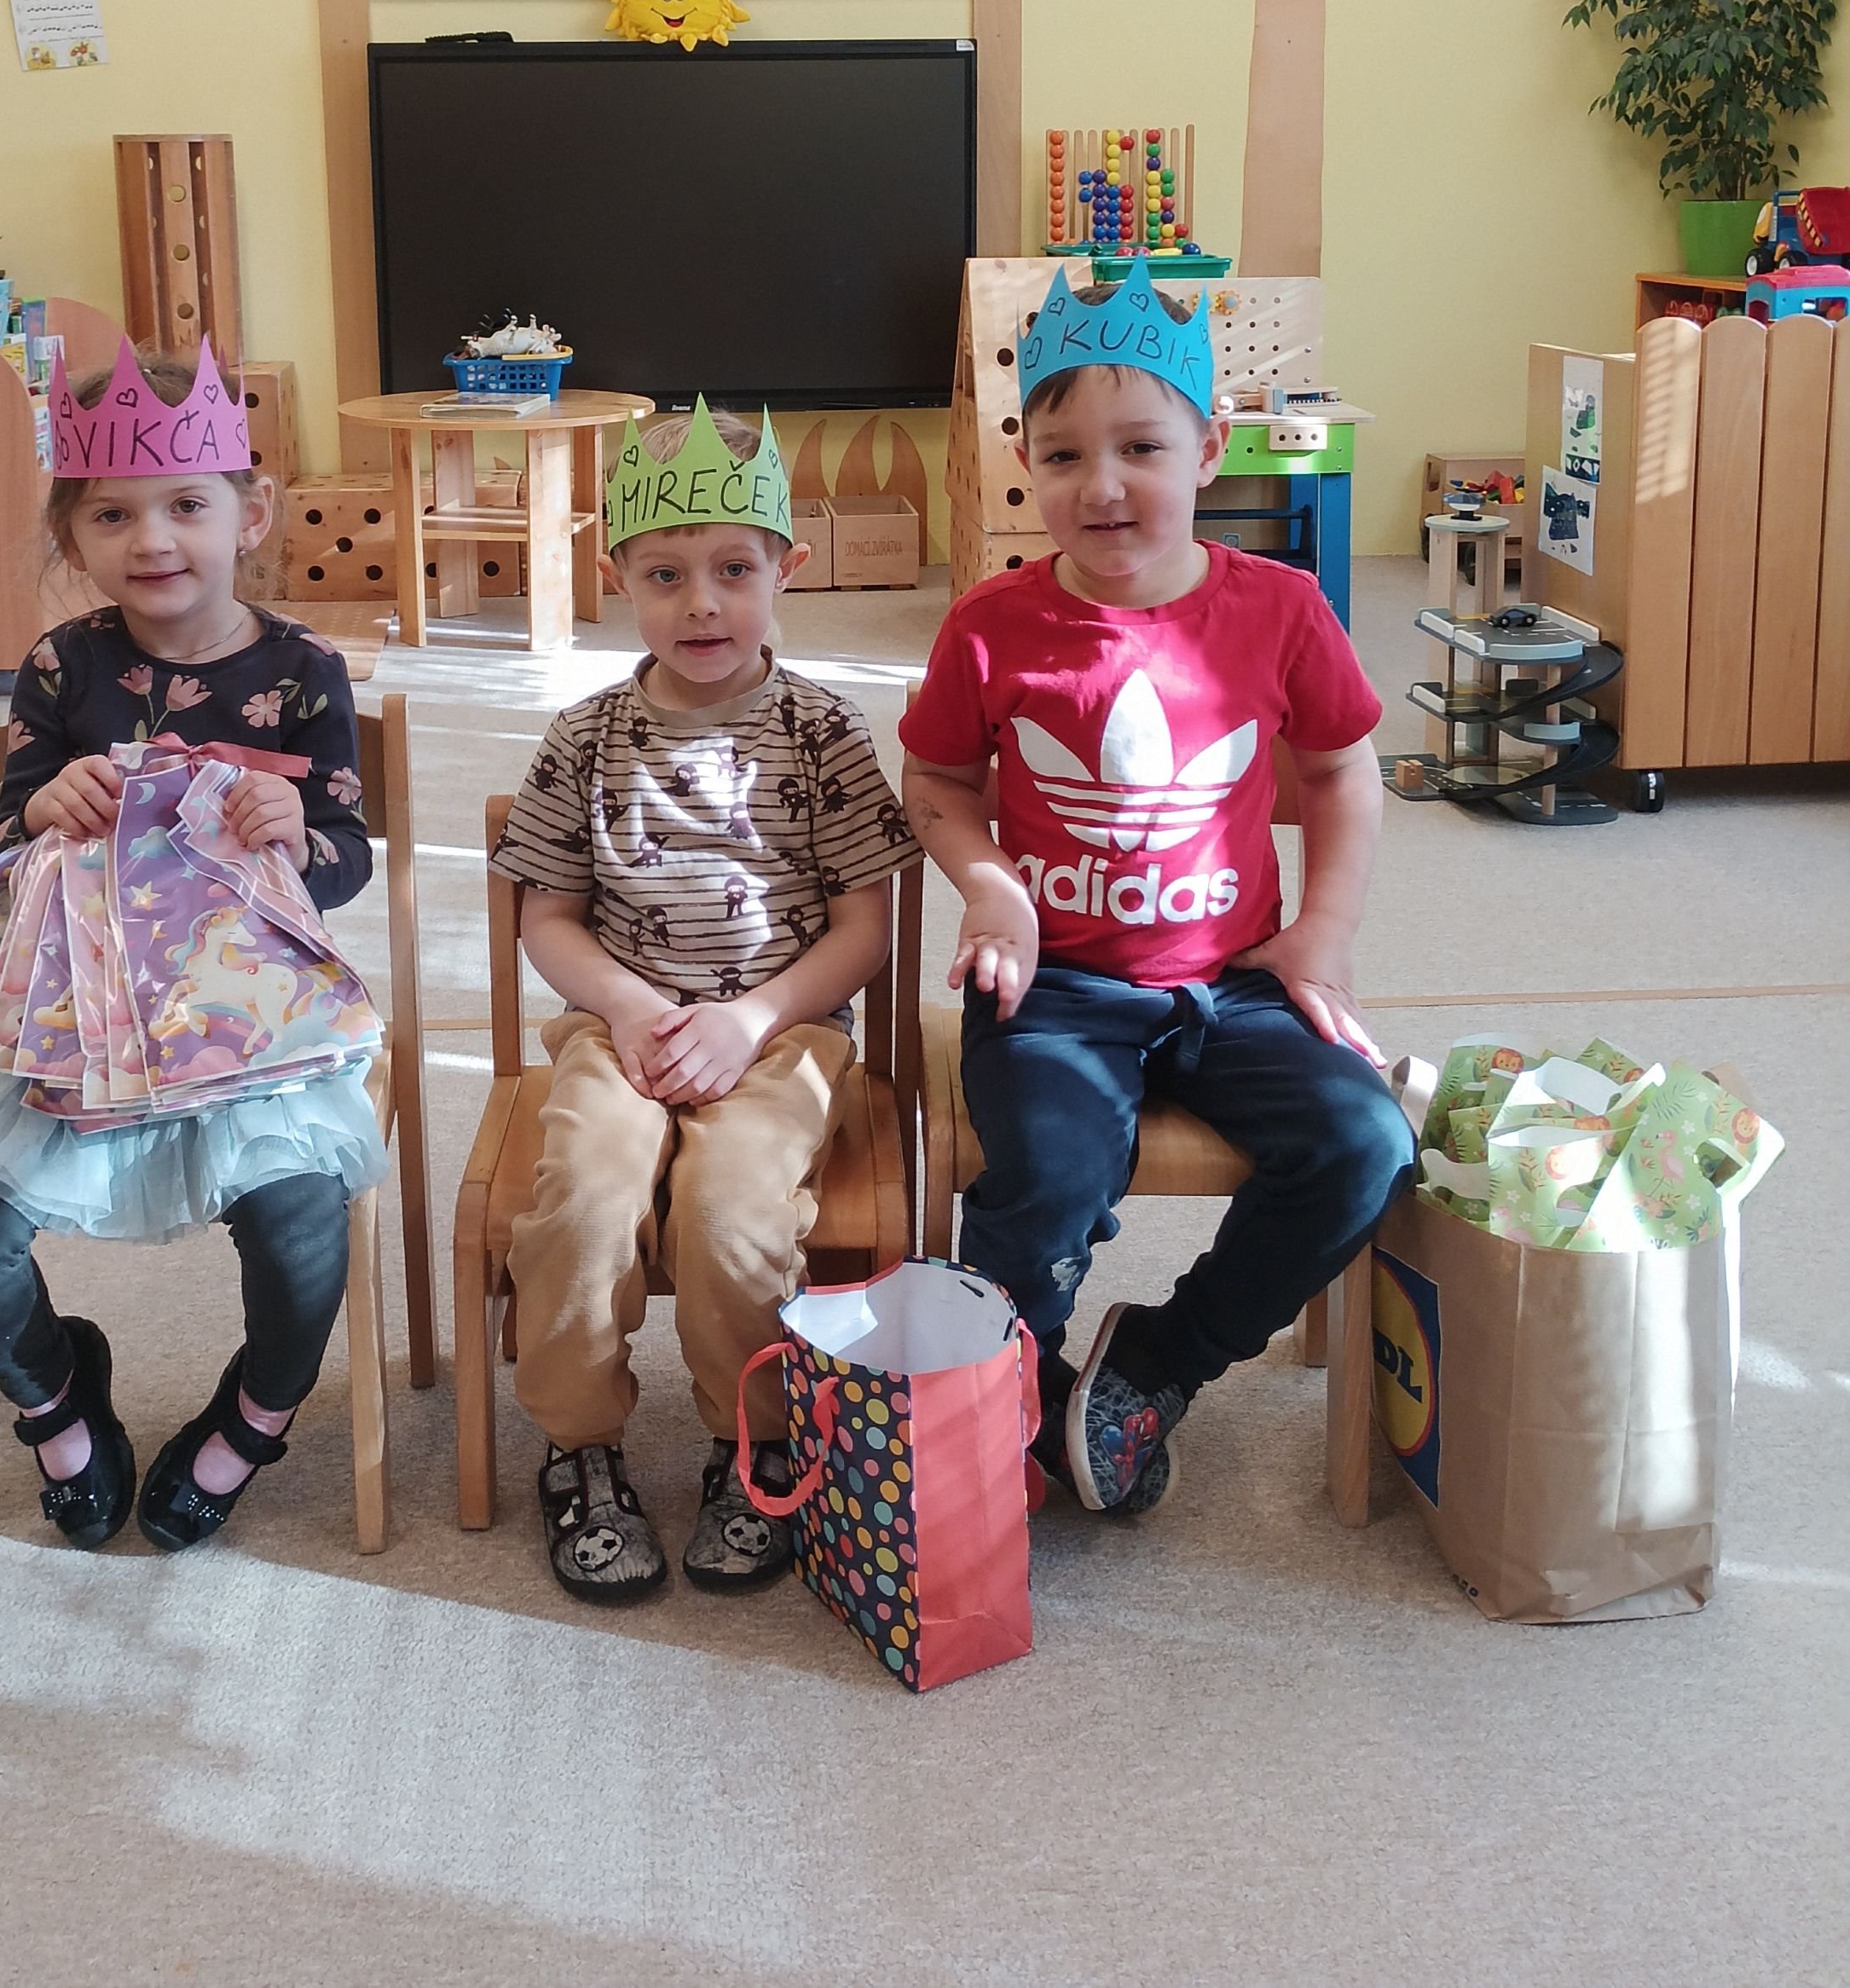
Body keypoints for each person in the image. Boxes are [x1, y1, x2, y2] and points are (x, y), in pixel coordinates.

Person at [0, 344, 387, 1554]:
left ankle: (254, 1416)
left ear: (250, 516)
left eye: (187, 505)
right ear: (72, 534)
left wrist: (296, 833)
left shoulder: (303, 671)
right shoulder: (62, 665)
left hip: (245, 1021)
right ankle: (57, 1402)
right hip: (70, 1015)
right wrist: (42, 809)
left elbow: (345, 862)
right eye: (112, 514)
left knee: (305, 1225)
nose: (153, 539)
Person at [900, 269, 1414, 1518]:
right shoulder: (991, 624)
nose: (1104, 485)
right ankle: (1022, 1394)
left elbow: (1342, 771)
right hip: (1057, 991)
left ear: (1210, 449)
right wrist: (991, 887)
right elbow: (937, 781)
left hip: (1235, 984)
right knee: (1045, 1182)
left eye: (1141, 447)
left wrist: (1323, 935)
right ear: (1025, 461)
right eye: (1065, 455)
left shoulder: (1282, 608)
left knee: (1366, 1145)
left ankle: (1159, 1362)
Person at [491, 401, 914, 1604]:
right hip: (616, 1029)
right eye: (666, 576)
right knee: (583, 1205)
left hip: (782, 1033)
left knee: (733, 1215)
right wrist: (632, 1011)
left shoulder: (822, 731)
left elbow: (865, 927)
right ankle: (581, 1448)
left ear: (788, 567)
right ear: (616, 575)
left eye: (735, 571)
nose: (703, 605)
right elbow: (547, 917)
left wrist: (750, 1018)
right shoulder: (585, 737)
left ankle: (753, 1440)